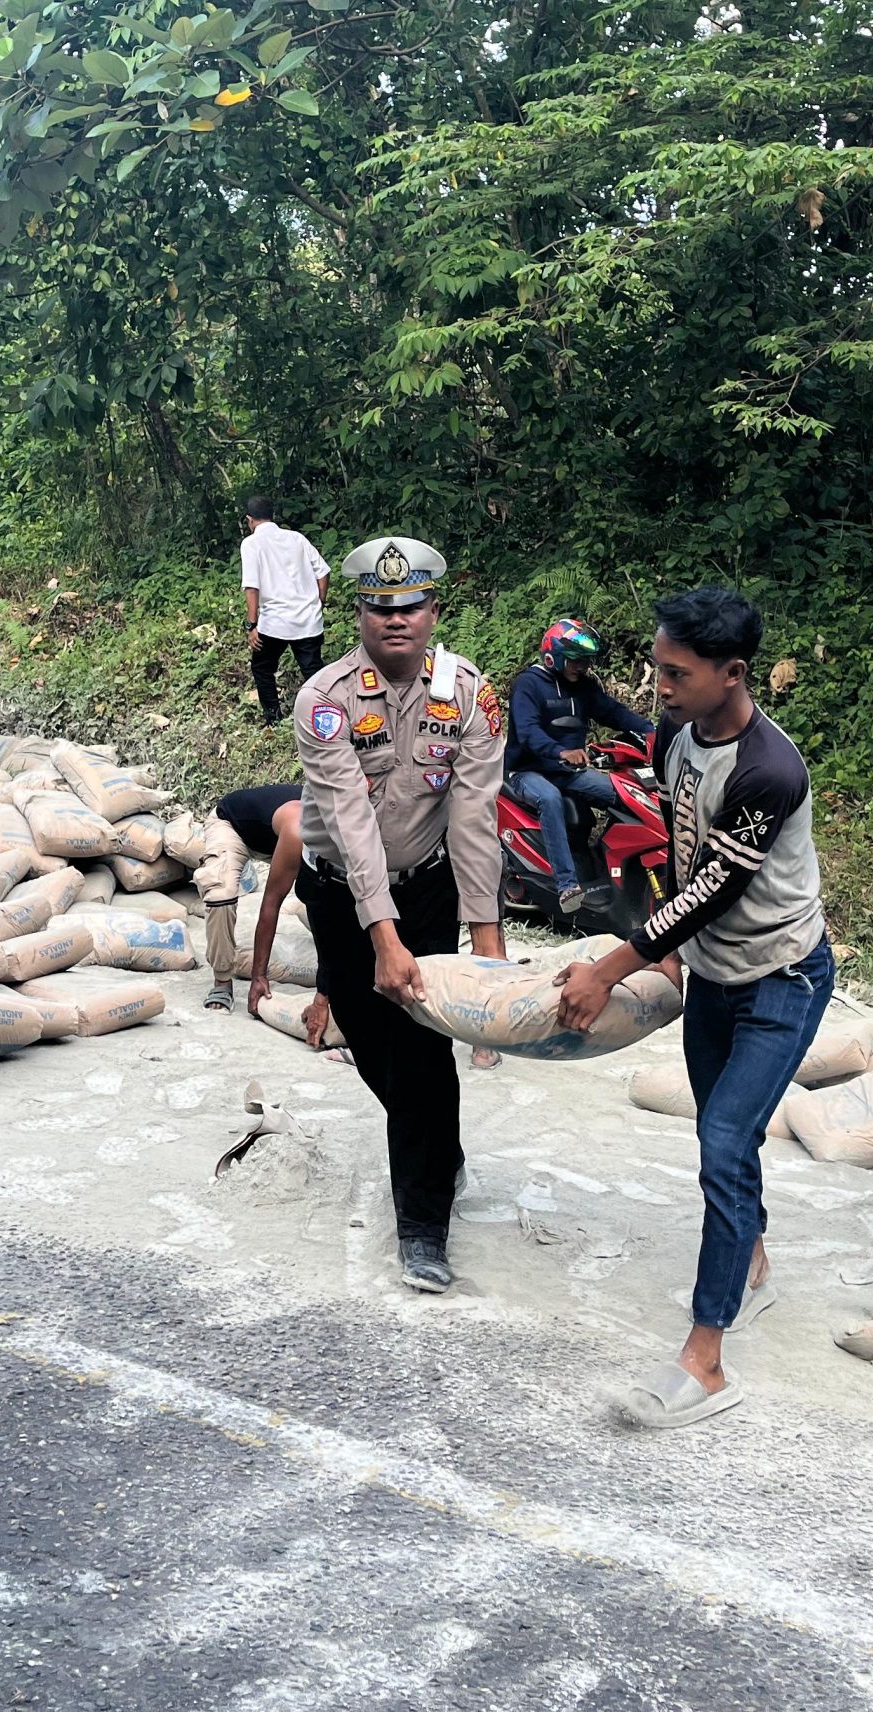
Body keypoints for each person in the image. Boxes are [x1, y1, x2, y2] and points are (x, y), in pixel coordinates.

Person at [555, 588, 831, 1428]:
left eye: (676, 673)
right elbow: (680, 846)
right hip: (711, 974)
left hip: (783, 979)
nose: (659, 686)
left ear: (733, 674)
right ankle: (751, 1255)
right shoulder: (677, 736)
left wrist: (613, 965)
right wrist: (671, 953)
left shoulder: (769, 770)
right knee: (723, 1131)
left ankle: (705, 1361)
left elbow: (716, 883)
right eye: (658, 668)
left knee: (722, 1141)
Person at [293, 535, 506, 1293]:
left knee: (420, 1052)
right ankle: (436, 1149)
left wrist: (488, 952)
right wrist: (380, 938)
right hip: (337, 894)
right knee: (368, 1031)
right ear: (358, 614)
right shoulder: (324, 701)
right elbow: (350, 822)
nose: (396, 620)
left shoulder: (471, 697)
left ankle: (423, 1225)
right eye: (380, 607)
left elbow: (476, 818)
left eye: (410, 606)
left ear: (434, 611)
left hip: (426, 889)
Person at [508, 618, 655, 917]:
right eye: (576, 660)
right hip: (527, 771)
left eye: (586, 660)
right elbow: (527, 731)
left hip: (567, 772)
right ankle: (567, 885)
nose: (583, 666)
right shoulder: (528, 684)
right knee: (549, 799)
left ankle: (606, 869)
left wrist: (650, 730)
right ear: (554, 655)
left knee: (621, 794)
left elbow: (612, 712)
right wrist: (561, 751)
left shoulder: (584, 686)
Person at [198, 781, 303, 1014]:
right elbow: (271, 903)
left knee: (323, 896)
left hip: (275, 840)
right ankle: (222, 981)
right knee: (220, 892)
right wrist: (259, 976)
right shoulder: (300, 824)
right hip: (232, 826)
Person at [240, 496, 330, 725]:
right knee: (314, 673)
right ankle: (328, 719)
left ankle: (273, 718)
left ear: (250, 520)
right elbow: (323, 572)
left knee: (262, 668)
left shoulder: (251, 544)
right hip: (308, 619)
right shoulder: (296, 538)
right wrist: (318, 601)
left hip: (275, 622)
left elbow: (252, 587)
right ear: (273, 516)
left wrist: (252, 625)